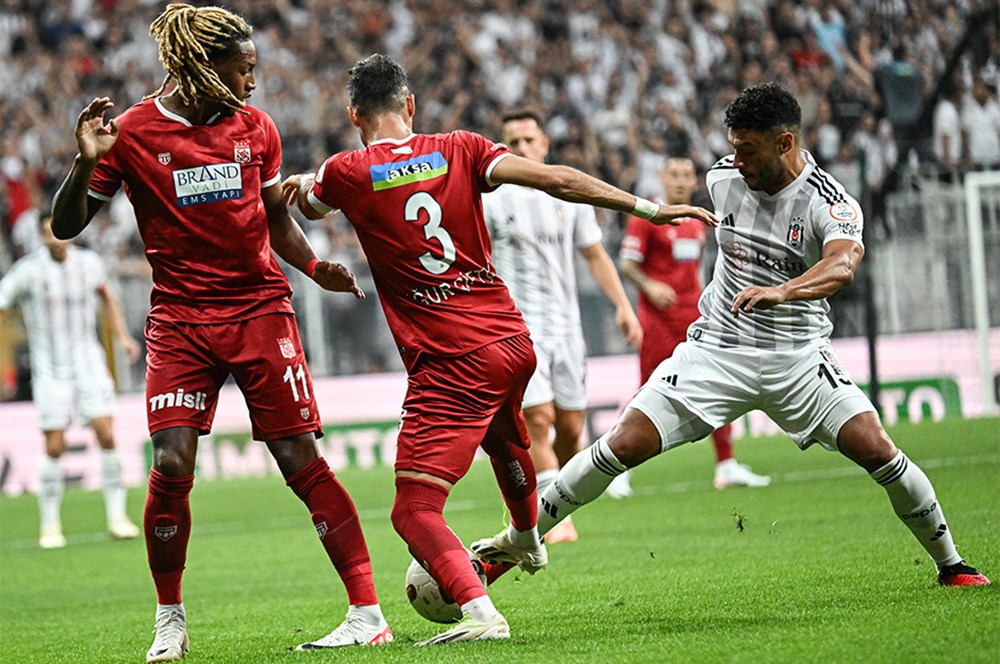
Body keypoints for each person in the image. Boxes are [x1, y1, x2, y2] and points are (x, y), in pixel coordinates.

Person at [475, 82, 990, 590]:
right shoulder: (724, 178)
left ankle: (952, 564)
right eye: (732, 147)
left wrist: (784, 291)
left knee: (878, 450)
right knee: (621, 443)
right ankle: (511, 548)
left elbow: (842, 265)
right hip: (716, 351)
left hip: (797, 358)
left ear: (785, 142)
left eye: (748, 149)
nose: (735, 160)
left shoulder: (830, 202)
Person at [283, 53, 717, 645]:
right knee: (505, 438)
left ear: (354, 114)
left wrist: (305, 183)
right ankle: (528, 538)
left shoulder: (346, 171)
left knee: (413, 510)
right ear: (410, 104)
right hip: (511, 340)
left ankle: (481, 613)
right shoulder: (461, 147)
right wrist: (648, 208)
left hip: (451, 358)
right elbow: (557, 179)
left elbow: (305, 203)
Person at [49, 5, 390, 662]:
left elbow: (274, 217)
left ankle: (367, 612)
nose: (252, 81)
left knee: (300, 460)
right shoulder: (133, 132)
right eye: (243, 69)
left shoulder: (256, 127)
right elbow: (67, 226)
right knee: (171, 462)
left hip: (259, 311)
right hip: (180, 321)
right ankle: (169, 619)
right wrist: (81, 164)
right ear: (202, 66)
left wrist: (314, 267)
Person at [482, 109, 643, 544]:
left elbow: (594, 255)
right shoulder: (492, 201)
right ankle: (554, 519)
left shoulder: (568, 196)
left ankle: (550, 496)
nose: (522, 149)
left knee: (571, 428)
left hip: (568, 329)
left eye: (529, 140)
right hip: (519, 329)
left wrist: (623, 306)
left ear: (544, 144)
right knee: (538, 420)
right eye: (513, 143)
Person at [619, 157, 771, 490]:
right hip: (658, 321)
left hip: (693, 317)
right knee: (647, 389)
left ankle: (726, 464)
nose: (679, 181)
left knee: (717, 383)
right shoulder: (648, 216)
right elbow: (627, 263)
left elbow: (696, 271)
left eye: (686, 175)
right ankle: (616, 468)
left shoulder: (697, 222)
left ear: (693, 182)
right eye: (673, 175)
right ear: (662, 178)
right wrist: (650, 286)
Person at [0, 214, 142, 549]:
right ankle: (50, 525)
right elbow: (3, 306)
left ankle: (118, 518)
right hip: (49, 368)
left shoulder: (89, 264)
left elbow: (107, 298)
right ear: (40, 237)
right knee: (54, 445)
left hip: (88, 361)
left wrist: (122, 336)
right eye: (48, 233)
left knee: (107, 434)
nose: (56, 238)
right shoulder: (27, 271)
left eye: (59, 231)